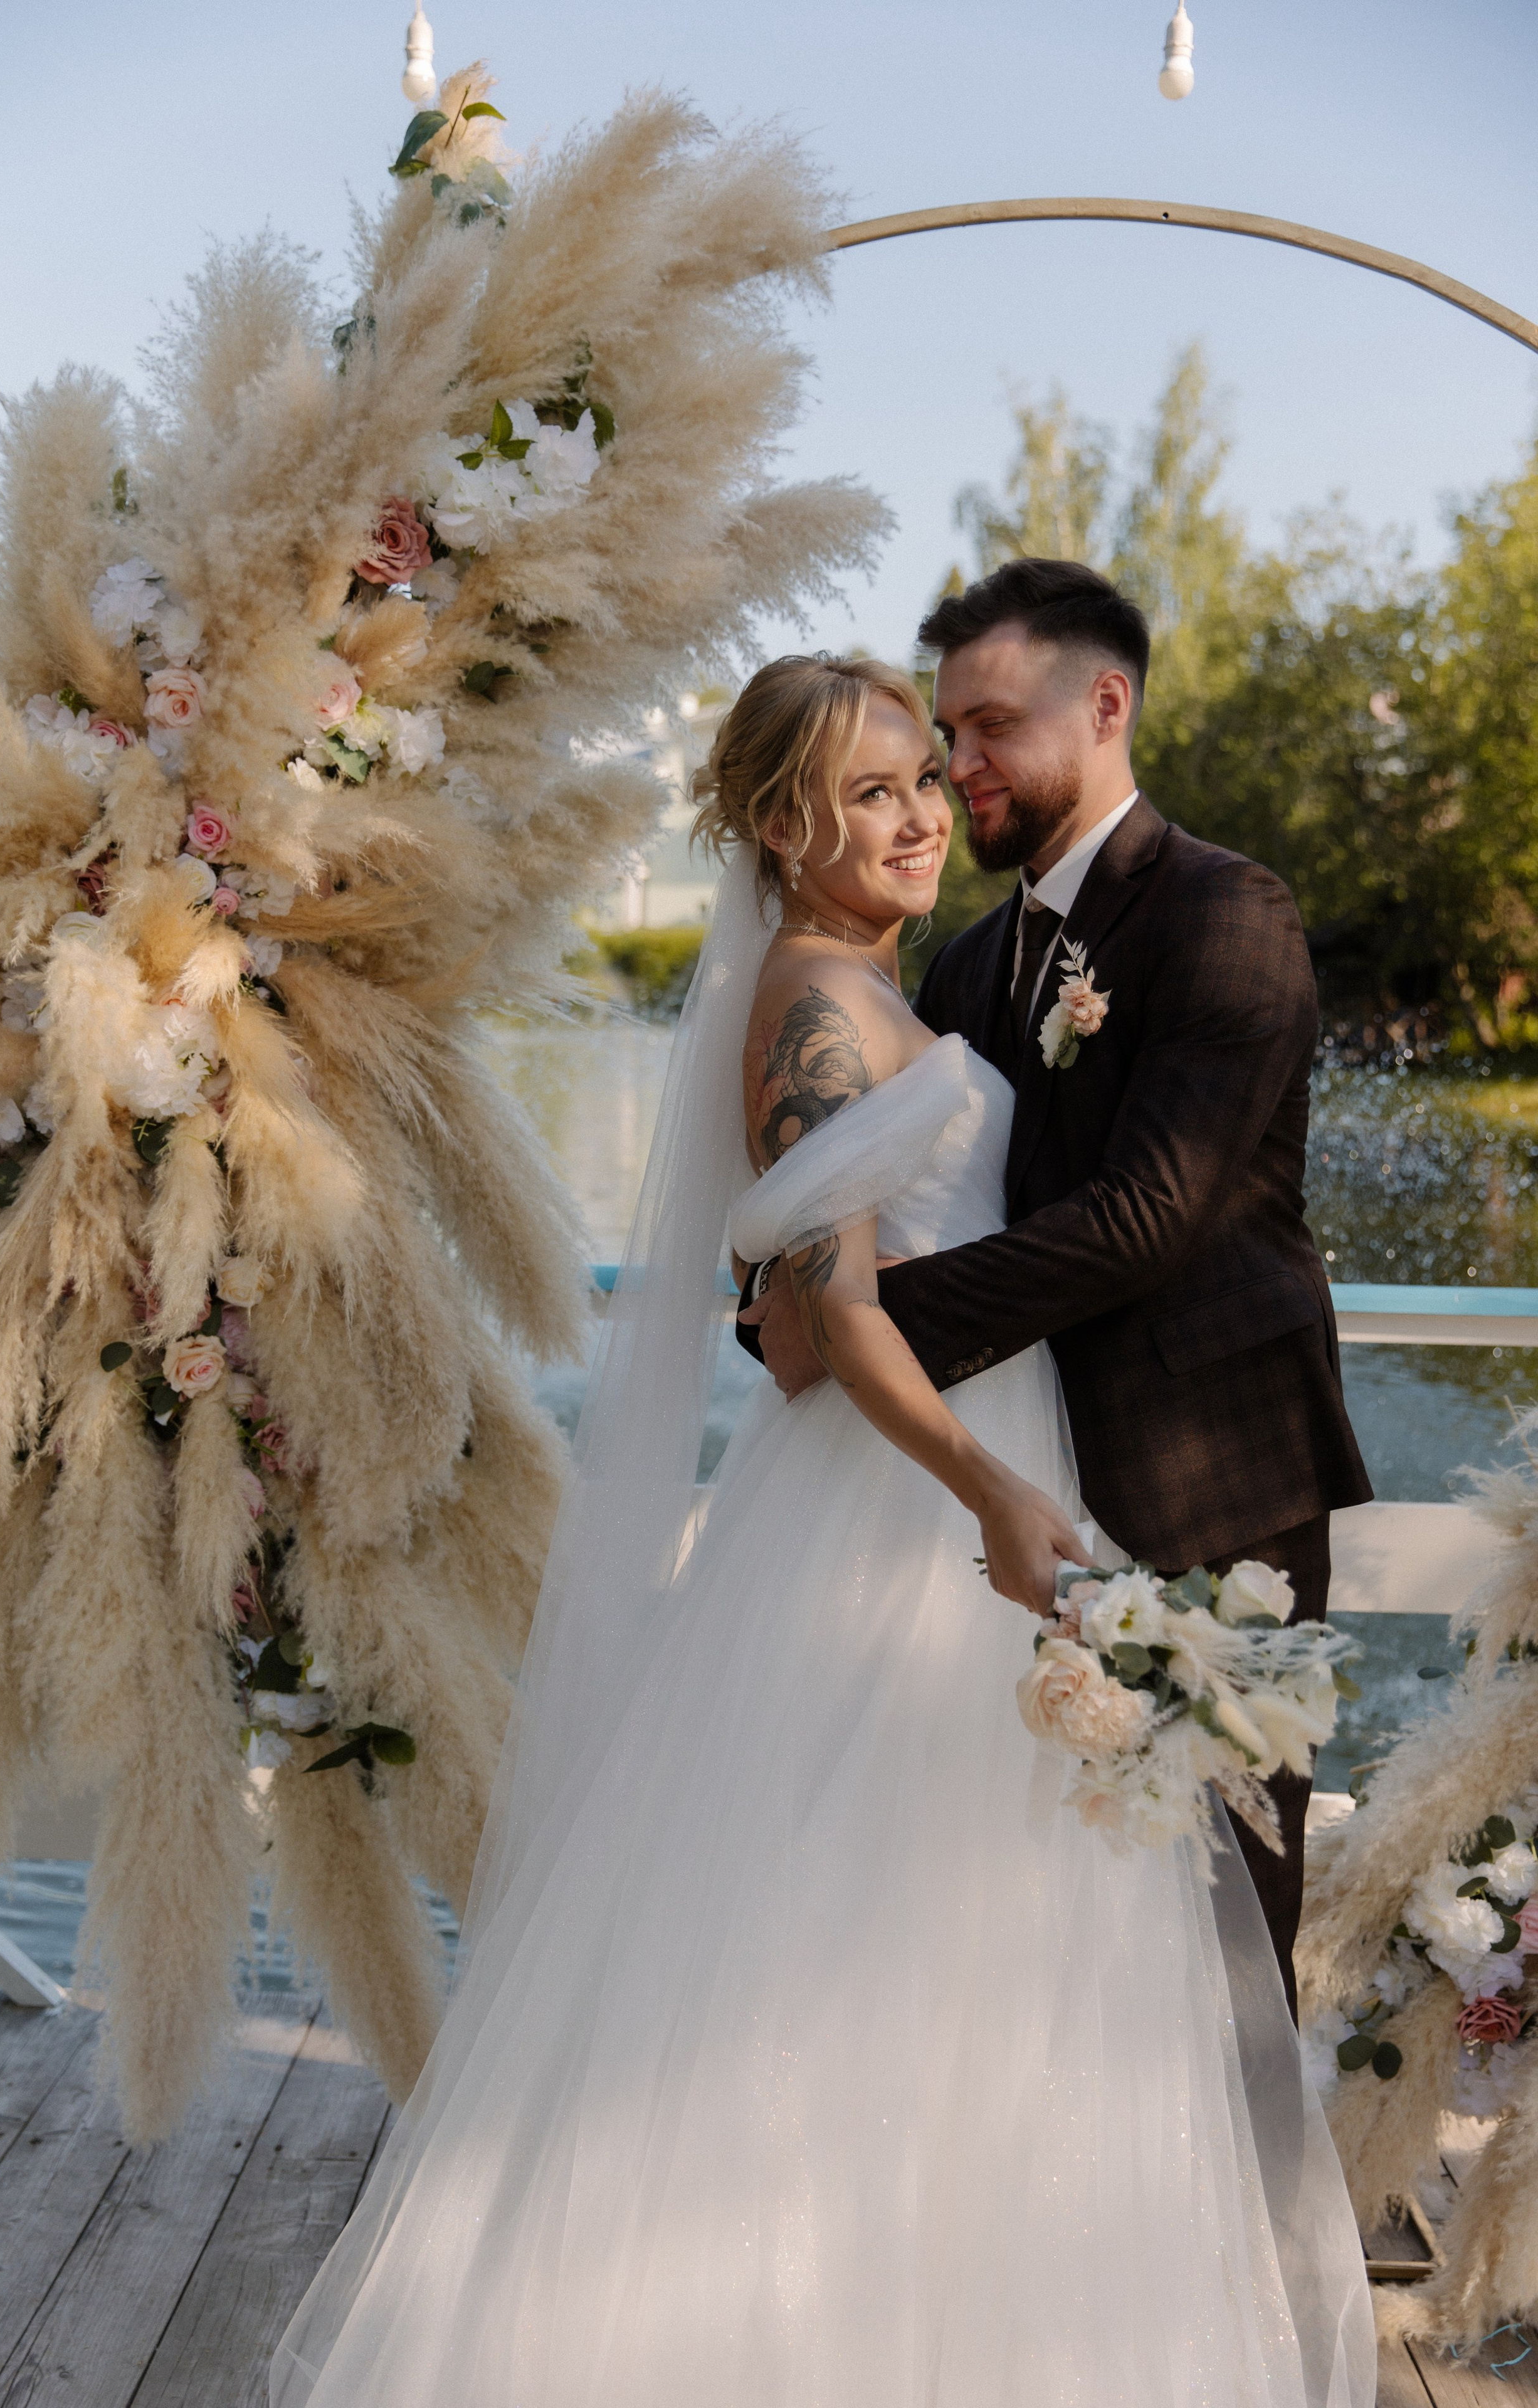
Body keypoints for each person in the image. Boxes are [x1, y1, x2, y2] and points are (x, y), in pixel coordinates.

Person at [273, 653, 1374, 2408]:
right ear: (785, 825)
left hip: (955, 1489)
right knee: (856, 1937)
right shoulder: (815, 1008)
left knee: (979, 1945)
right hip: (902, 1514)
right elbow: (834, 1316)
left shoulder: (882, 989)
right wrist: (999, 1495)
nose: (923, 812)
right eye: (872, 792)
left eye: (925, 780)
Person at [741, 562, 1372, 2015]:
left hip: (1208, 1485)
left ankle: (1252, 2241)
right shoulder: (965, 964)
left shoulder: (1226, 913)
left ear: (1103, 704)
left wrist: (858, 1329)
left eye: (983, 730)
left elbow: (1147, 1218)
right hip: (1026, 1499)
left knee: (1223, 1921)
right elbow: (851, 1181)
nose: (955, 770)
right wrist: (785, 1305)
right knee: (1033, 1929)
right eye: (937, 740)